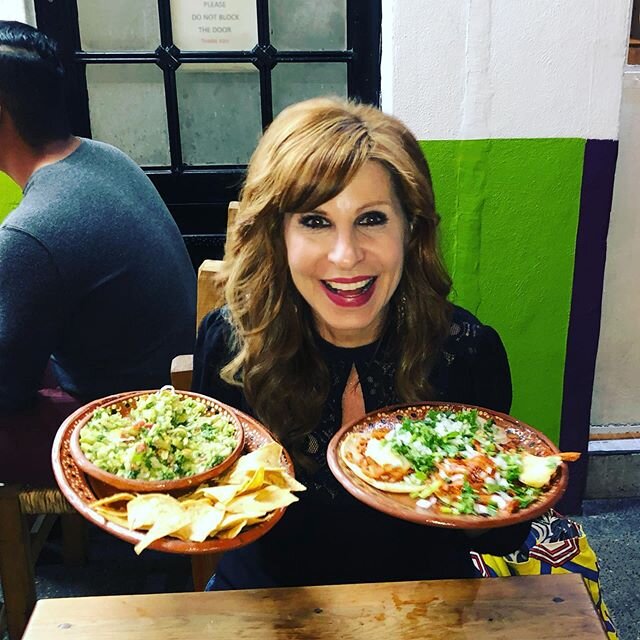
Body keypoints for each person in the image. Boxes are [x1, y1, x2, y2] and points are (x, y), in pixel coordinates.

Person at [192, 97, 530, 590]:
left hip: (425, 612)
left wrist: (501, 483)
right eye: (314, 220)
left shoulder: (467, 352)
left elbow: (504, 537)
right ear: (277, 235)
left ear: (411, 229)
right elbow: (207, 514)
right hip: (264, 609)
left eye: (371, 219)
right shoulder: (231, 347)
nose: (346, 255)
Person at [0, 21, 196, 485]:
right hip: (178, 385)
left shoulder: (32, 232)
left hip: (138, 430)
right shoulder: (102, 155)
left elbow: (7, 393)